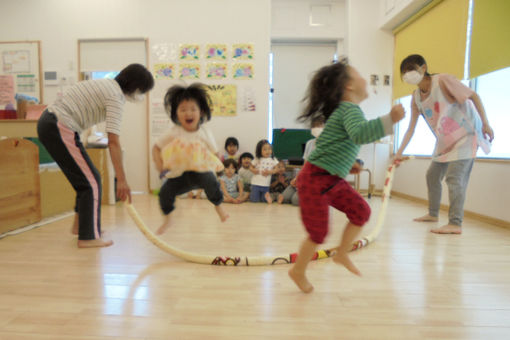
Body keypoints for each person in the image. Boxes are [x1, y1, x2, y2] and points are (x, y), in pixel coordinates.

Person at [288, 59, 405, 293]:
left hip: (330, 178)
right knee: (318, 232)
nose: (364, 78)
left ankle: (341, 253)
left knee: (361, 211)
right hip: (314, 179)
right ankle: (298, 270)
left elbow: (335, 144)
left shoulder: (347, 112)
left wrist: (345, 163)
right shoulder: (348, 110)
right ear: (349, 86)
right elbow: (360, 134)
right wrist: (389, 119)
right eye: (359, 74)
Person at [37, 63, 154, 248]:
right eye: (141, 91)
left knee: (87, 179)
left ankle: (82, 227)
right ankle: (88, 237)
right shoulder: (116, 97)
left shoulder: (104, 84)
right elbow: (113, 141)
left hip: (52, 123)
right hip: (58, 126)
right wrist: (122, 180)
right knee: (91, 182)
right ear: (135, 88)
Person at [395, 54, 494, 235]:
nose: (408, 74)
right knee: (432, 175)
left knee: (454, 179)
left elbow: (474, 96)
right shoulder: (416, 97)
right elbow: (411, 128)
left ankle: (455, 223)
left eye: (411, 69)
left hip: (466, 134)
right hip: (445, 140)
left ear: (423, 68)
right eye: (404, 72)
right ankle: (433, 214)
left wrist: (486, 123)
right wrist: (399, 152)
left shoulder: (443, 81)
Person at [152, 83, 229, 235]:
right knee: (164, 193)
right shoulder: (174, 132)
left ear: (201, 112)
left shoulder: (204, 132)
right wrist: (160, 166)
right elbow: (156, 148)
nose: (188, 113)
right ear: (176, 114)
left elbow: (215, 152)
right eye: (183, 110)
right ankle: (168, 219)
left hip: (200, 173)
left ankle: (218, 206)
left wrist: (218, 166)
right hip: (179, 175)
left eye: (193, 109)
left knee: (211, 181)